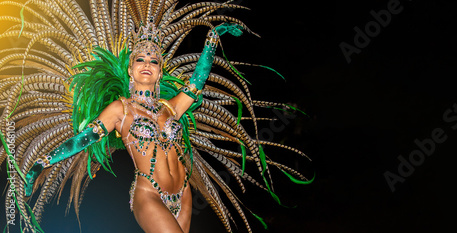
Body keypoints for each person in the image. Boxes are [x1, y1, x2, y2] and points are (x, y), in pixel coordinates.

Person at [0, 1, 313, 232]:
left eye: (153, 60)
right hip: (149, 195)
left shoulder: (169, 107)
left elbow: (196, 83)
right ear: (131, 69)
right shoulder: (120, 110)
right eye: (140, 59)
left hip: (184, 192)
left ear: (160, 72)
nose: (146, 63)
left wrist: (211, 40)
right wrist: (41, 164)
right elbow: (83, 139)